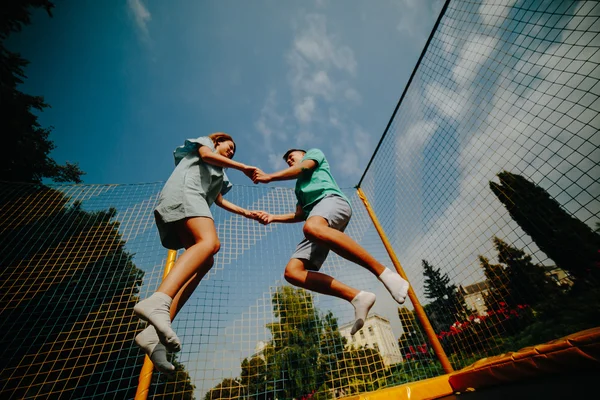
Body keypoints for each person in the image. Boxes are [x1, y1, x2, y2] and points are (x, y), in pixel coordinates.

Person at [134, 133, 258, 373]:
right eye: (228, 146)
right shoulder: (205, 144)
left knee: (206, 261)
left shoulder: (221, 174)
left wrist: (247, 213)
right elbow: (206, 155)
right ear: (217, 141)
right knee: (210, 242)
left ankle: (152, 334)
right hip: (185, 194)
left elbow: (219, 200)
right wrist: (243, 167)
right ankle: (159, 300)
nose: (231, 152)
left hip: (194, 200)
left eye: (234, 151)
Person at [252, 148, 410, 335]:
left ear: (303, 155)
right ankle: (357, 297)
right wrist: (273, 217)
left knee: (312, 228)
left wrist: (269, 177)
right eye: (286, 160)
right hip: (317, 221)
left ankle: (384, 273)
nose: (288, 160)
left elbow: (303, 168)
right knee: (293, 272)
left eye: (291, 157)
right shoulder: (299, 189)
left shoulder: (314, 155)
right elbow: (300, 215)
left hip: (332, 202)